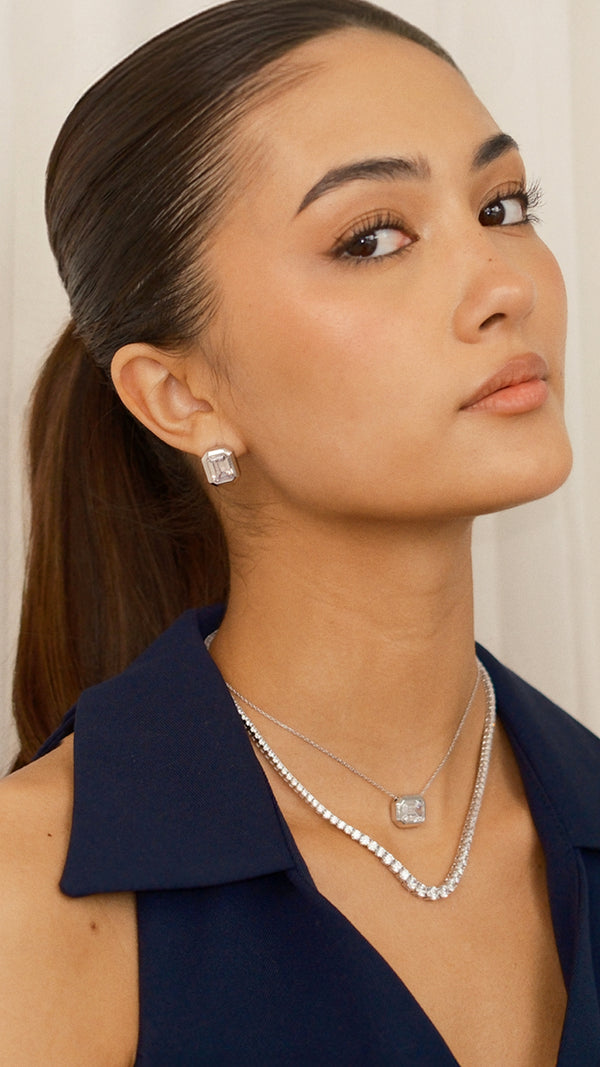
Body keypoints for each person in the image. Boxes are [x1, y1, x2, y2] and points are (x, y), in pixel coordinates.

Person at [1, 0, 598, 1063]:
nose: (507, 285)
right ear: (181, 396)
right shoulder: (35, 900)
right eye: (374, 238)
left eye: (503, 206)